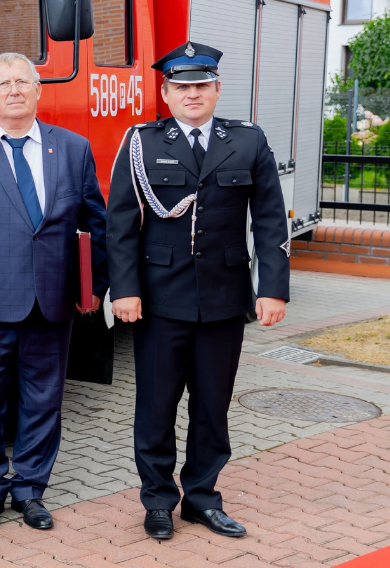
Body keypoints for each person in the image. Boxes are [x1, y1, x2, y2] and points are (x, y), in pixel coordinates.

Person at [107, 41, 290, 541]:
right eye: (181, 86)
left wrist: (272, 288)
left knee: (212, 405)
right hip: (159, 299)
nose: (192, 94)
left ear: (216, 89)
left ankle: (203, 499)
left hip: (224, 299)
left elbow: (271, 221)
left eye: (201, 85)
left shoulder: (248, 141)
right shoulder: (143, 142)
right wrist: (123, 289)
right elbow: (120, 222)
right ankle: (159, 501)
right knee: (157, 405)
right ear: (166, 92)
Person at [0, 52, 108, 531]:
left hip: (53, 302)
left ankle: (31, 489)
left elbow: (96, 223)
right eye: (2, 84)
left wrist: (94, 287)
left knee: (44, 400)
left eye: (22, 82)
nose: (13, 90)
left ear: (37, 90)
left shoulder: (72, 148)